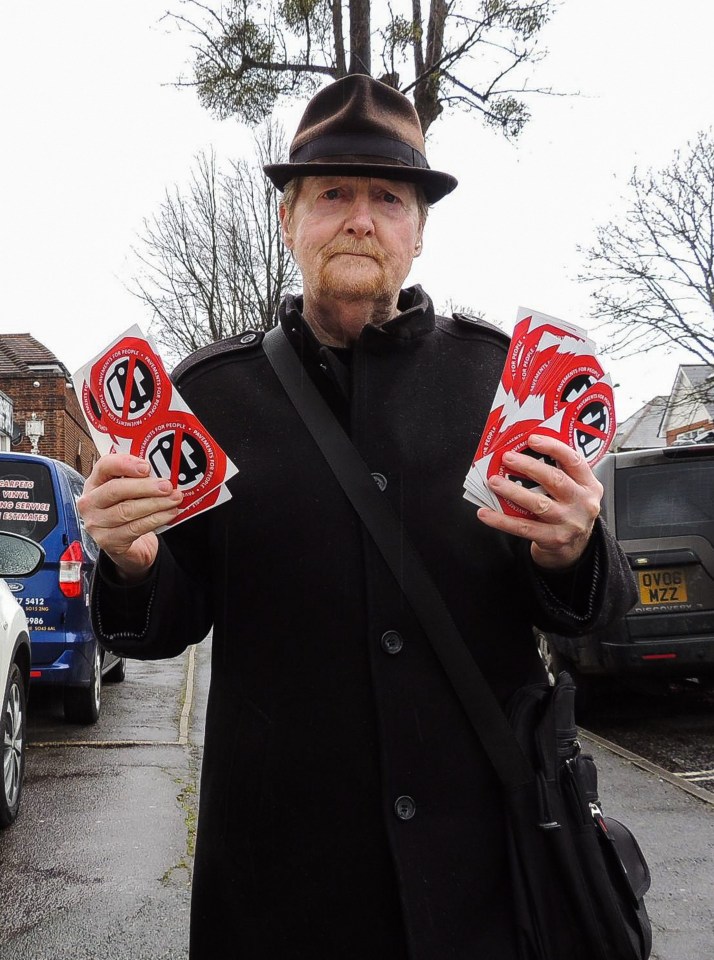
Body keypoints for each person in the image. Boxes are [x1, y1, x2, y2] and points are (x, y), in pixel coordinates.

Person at [79, 74, 637, 960]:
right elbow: (163, 627)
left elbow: (594, 608)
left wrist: (572, 551)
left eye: (388, 197)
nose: (361, 218)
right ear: (288, 219)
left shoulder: (503, 384)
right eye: (333, 193)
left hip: (487, 881)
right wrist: (131, 565)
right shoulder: (209, 397)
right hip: (281, 887)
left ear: (419, 229)